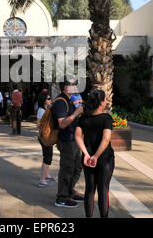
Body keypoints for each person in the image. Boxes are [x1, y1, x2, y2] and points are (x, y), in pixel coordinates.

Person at [75, 89, 115, 218]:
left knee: (89, 190)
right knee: (103, 190)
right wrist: (96, 156)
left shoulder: (83, 118)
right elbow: (106, 138)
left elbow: (77, 136)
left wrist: (86, 154)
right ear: (101, 103)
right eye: (105, 99)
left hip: (87, 159)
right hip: (104, 159)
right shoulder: (106, 118)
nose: (107, 101)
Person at [52, 80, 84, 208]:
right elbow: (62, 123)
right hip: (66, 141)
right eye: (73, 85)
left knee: (77, 167)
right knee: (67, 169)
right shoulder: (61, 101)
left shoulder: (69, 99)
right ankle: (61, 198)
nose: (76, 86)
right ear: (66, 87)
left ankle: (69, 191)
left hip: (73, 139)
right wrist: (76, 113)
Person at [36, 91, 57, 187]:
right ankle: (42, 180)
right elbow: (38, 124)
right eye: (48, 99)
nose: (50, 100)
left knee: (48, 156)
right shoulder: (41, 111)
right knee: (47, 158)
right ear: (43, 100)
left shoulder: (46, 109)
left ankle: (46, 175)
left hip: (46, 137)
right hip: (44, 137)